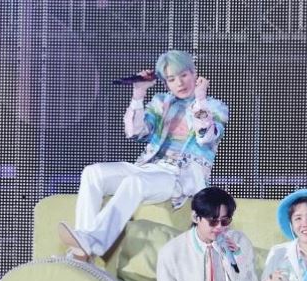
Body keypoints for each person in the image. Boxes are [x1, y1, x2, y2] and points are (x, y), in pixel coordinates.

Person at [59, 50, 229, 260]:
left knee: (135, 182)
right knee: (93, 173)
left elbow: (205, 136)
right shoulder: (162, 103)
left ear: (194, 74)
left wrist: (200, 99)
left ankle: (93, 242)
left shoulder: (214, 107)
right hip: (149, 166)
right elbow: (135, 132)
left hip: (178, 176)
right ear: (165, 83)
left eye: (184, 75)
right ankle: (84, 246)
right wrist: (138, 94)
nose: (179, 83)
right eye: (171, 79)